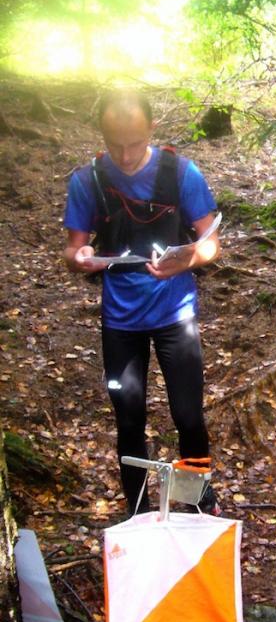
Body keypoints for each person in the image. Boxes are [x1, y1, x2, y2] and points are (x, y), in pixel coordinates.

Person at [63, 91, 221, 516]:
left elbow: (212, 244)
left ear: (152, 128)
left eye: (134, 142)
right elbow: (73, 249)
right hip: (121, 318)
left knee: (188, 415)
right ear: (102, 136)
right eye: (115, 143)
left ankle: (196, 503)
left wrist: (187, 257)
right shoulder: (88, 180)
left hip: (175, 313)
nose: (126, 154)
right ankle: (136, 511)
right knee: (129, 418)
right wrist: (80, 260)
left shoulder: (181, 173)